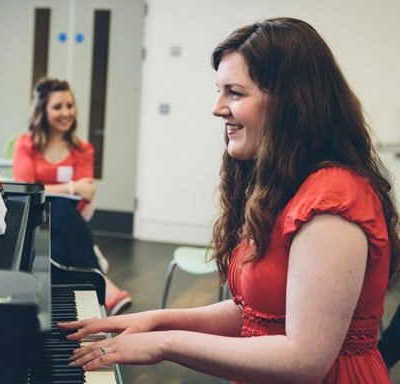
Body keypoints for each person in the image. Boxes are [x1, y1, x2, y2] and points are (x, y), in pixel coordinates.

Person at [58, 17, 400, 383]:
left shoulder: (335, 198)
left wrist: (167, 343)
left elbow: (305, 359)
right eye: (219, 90)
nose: (217, 107)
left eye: (234, 93)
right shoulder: (286, 186)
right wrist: (158, 319)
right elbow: (259, 317)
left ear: (289, 102)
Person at [13, 77, 132, 316]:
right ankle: (101, 282)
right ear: (42, 110)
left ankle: (60, 316)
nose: (66, 112)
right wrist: (70, 188)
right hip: (34, 222)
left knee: (57, 244)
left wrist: (57, 190)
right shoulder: (26, 145)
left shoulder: (82, 149)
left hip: (66, 224)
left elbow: (85, 193)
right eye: (57, 107)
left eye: (70, 105)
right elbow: (26, 189)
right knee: (57, 205)